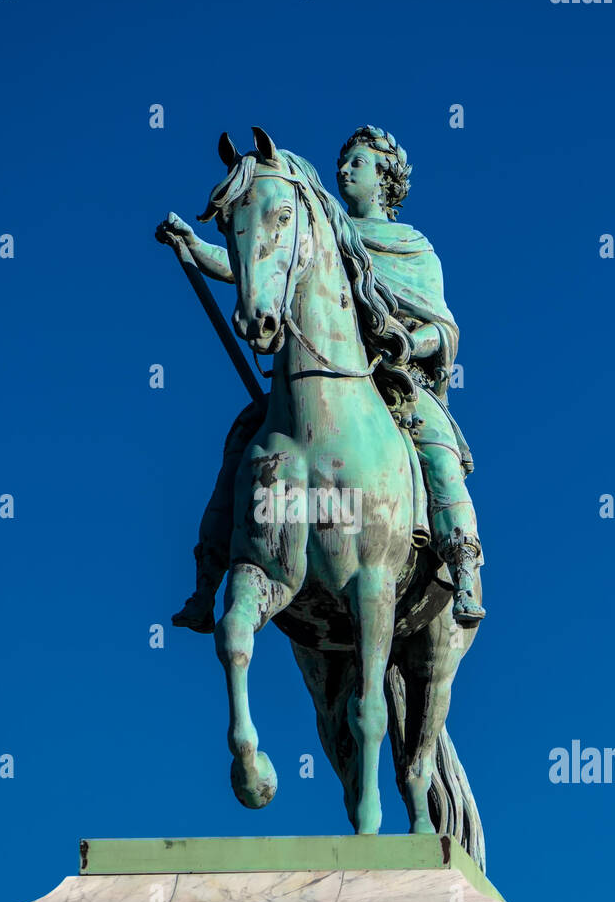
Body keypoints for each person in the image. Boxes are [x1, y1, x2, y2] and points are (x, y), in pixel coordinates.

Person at [156, 125, 485, 631]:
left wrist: (408, 342)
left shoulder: (412, 246)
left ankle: (462, 561)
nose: (344, 170)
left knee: (436, 443)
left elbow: (443, 329)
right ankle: (208, 580)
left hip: (395, 380)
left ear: (385, 178)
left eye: (358, 163)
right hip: (318, 375)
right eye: (343, 161)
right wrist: (195, 246)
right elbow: (259, 260)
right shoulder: (323, 231)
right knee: (244, 439)